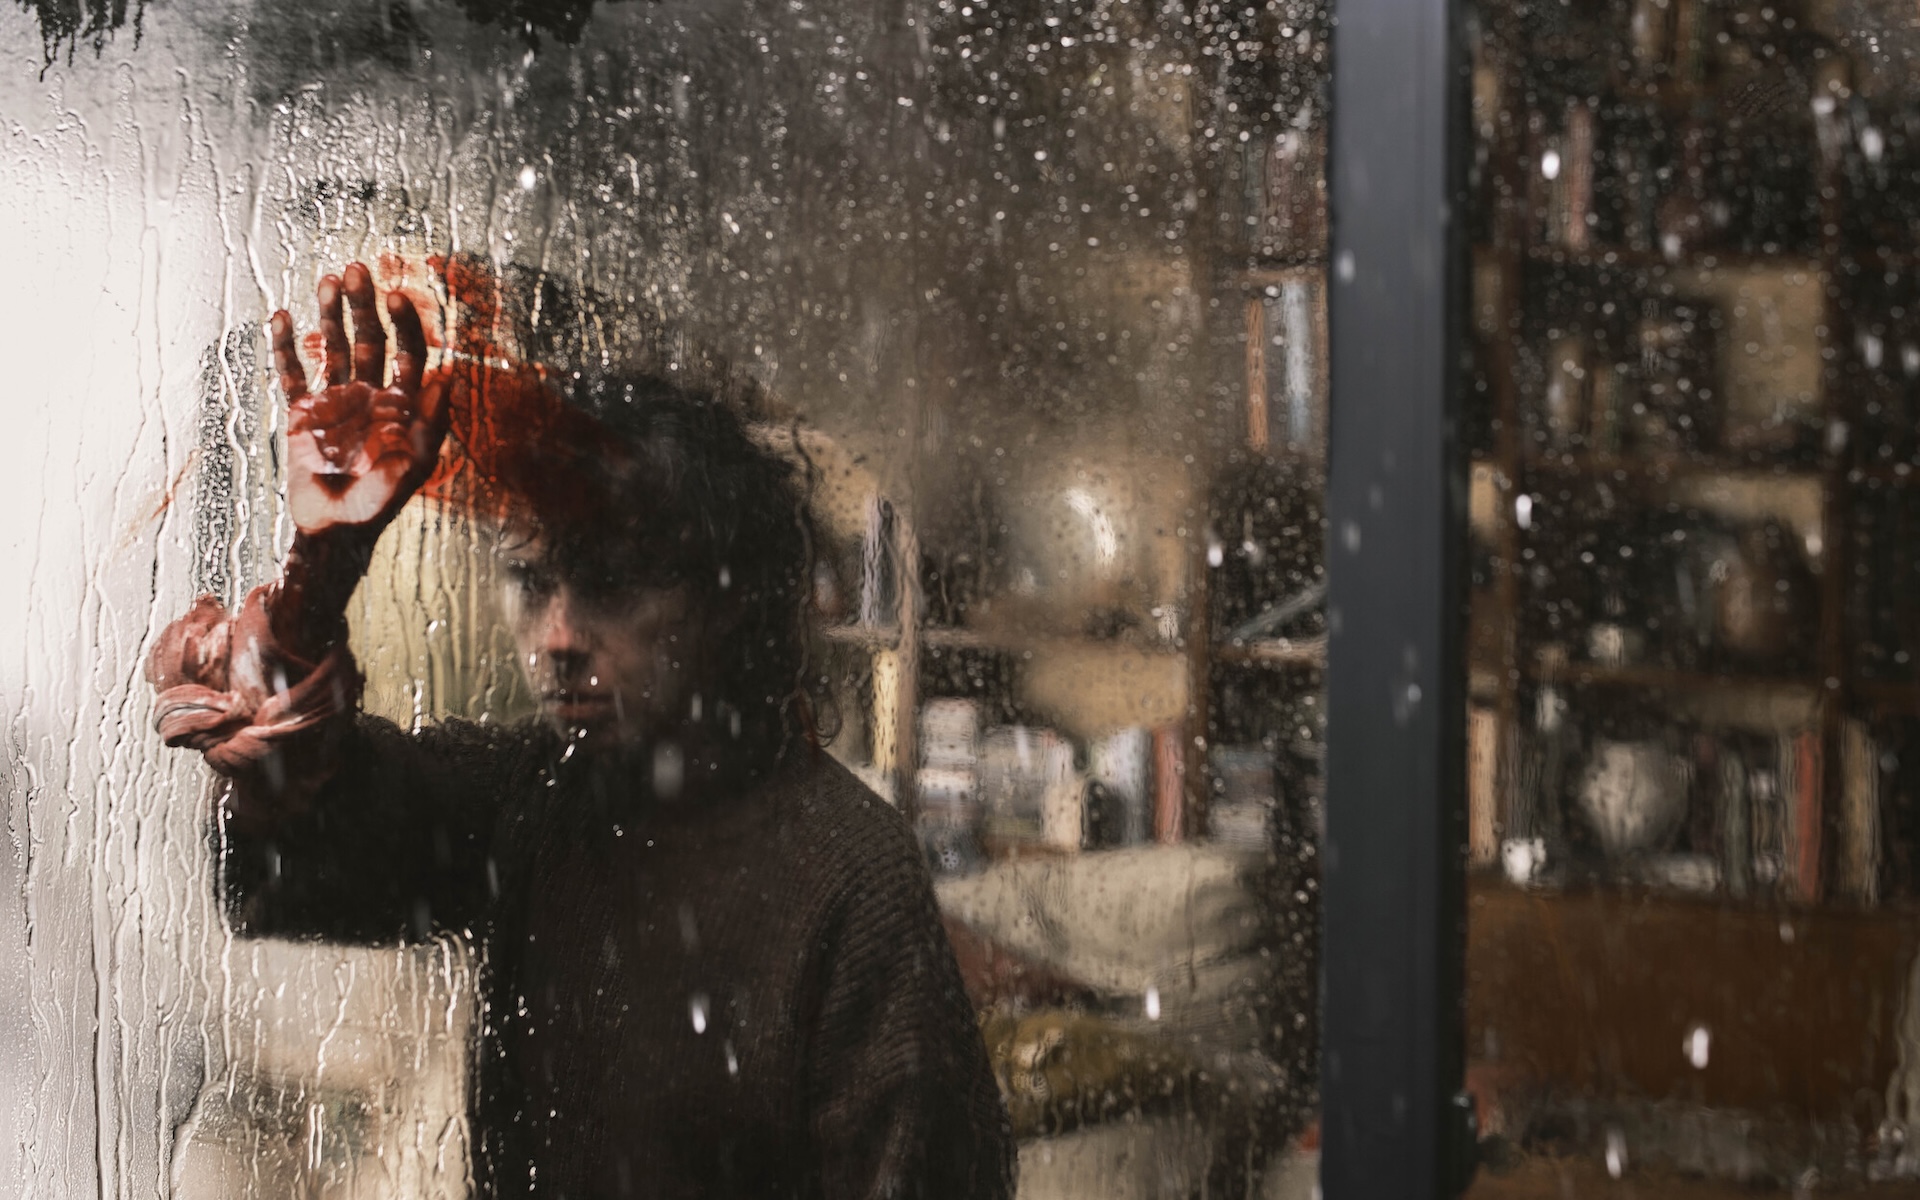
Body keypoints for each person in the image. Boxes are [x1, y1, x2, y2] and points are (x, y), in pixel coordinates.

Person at [146, 262, 1016, 1199]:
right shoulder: (540, 791)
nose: (557, 637)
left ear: (729, 601)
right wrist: (318, 574)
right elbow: (294, 872)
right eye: (532, 581)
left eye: (611, 584)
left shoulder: (851, 875)